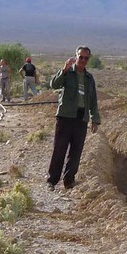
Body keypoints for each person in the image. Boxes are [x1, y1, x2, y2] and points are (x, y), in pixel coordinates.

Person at [46, 45, 101, 192]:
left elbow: (93, 100)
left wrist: (95, 119)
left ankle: (69, 181)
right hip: (65, 116)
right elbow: (54, 84)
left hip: (81, 118)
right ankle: (52, 180)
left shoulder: (89, 78)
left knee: (76, 152)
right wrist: (64, 70)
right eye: (80, 57)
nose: (83, 60)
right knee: (59, 149)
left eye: (86, 58)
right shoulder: (68, 73)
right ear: (76, 56)